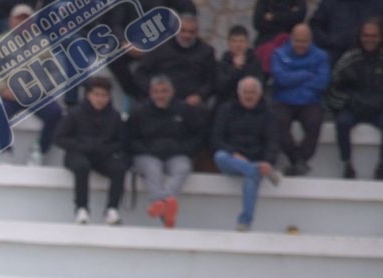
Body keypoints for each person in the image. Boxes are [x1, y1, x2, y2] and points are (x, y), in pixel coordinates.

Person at [0, 3, 61, 164]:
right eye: (18, 19)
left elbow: (55, 72)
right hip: (8, 94)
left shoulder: (42, 43)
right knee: (0, 108)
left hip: (34, 95)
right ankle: (6, 152)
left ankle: (39, 151)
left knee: (55, 112)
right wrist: (3, 89)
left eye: (26, 20)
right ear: (11, 21)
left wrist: (38, 90)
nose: (22, 23)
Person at [129, 74, 205, 226]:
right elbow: (129, 139)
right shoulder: (139, 111)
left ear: (172, 92)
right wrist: (146, 149)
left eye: (164, 91)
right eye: (156, 92)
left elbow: (199, 134)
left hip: (176, 154)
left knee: (183, 168)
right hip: (147, 155)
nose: (160, 95)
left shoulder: (184, 110)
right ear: (150, 93)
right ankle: (165, 209)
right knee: (152, 169)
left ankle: (161, 202)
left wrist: (185, 150)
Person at [212, 75, 283, 229]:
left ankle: (245, 222)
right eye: (245, 92)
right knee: (220, 156)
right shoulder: (226, 110)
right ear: (239, 93)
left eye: (252, 92)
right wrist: (234, 153)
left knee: (251, 176)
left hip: (255, 159)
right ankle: (256, 170)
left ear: (259, 94)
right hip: (231, 160)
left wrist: (268, 161)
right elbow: (216, 139)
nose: (248, 96)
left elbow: (273, 141)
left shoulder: (268, 113)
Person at [55, 77, 129, 224]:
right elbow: (59, 138)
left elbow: (122, 141)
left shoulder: (114, 116)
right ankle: (81, 208)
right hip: (77, 153)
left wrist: (107, 148)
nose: (100, 99)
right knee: (82, 166)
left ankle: (112, 209)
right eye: (96, 94)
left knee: (119, 168)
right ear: (88, 95)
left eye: (104, 95)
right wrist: (82, 145)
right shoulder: (75, 113)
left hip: (103, 156)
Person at [328, 18, 383, 177]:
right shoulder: (348, 58)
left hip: (380, 109)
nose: (370, 39)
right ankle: (347, 164)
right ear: (360, 36)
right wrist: (349, 101)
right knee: (342, 122)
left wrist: (382, 102)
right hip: (353, 108)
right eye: (366, 35)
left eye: (374, 36)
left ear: (381, 37)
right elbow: (333, 87)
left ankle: (382, 165)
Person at [270, 23, 332, 173]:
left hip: (310, 101)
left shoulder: (321, 56)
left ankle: (299, 161)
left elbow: (321, 83)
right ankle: (297, 161)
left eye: (304, 41)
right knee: (279, 123)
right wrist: (306, 74)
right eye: (297, 41)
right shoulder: (278, 54)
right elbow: (281, 79)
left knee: (314, 122)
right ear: (291, 38)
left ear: (310, 40)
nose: (300, 45)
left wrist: (294, 83)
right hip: (283, 100)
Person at [137, 10, 218, 109]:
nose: (187, 35)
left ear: (197, 32)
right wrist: (155, 92)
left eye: (191, 32)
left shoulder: (206, 51)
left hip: (191, 104)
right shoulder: (159, 48)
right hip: (161, 100)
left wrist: (200, 96)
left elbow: (211, 80)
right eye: (183, 31)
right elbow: (141, 73)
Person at [310, 0, 383, 59]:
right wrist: (330, 42)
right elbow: (315, 27)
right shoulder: (329, 3)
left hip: (373, 60)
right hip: (335, 57)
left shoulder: (378, 4)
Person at [218, 23, 268, 105]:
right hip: (227, 102)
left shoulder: (255, 61)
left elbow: (259, 85)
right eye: (234, 41)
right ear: (229, 43)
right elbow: (221, 87)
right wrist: (235, 69)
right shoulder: (224, 61)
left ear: (247, 43)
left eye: (241, 41)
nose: (238, 45)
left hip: (249, 102)